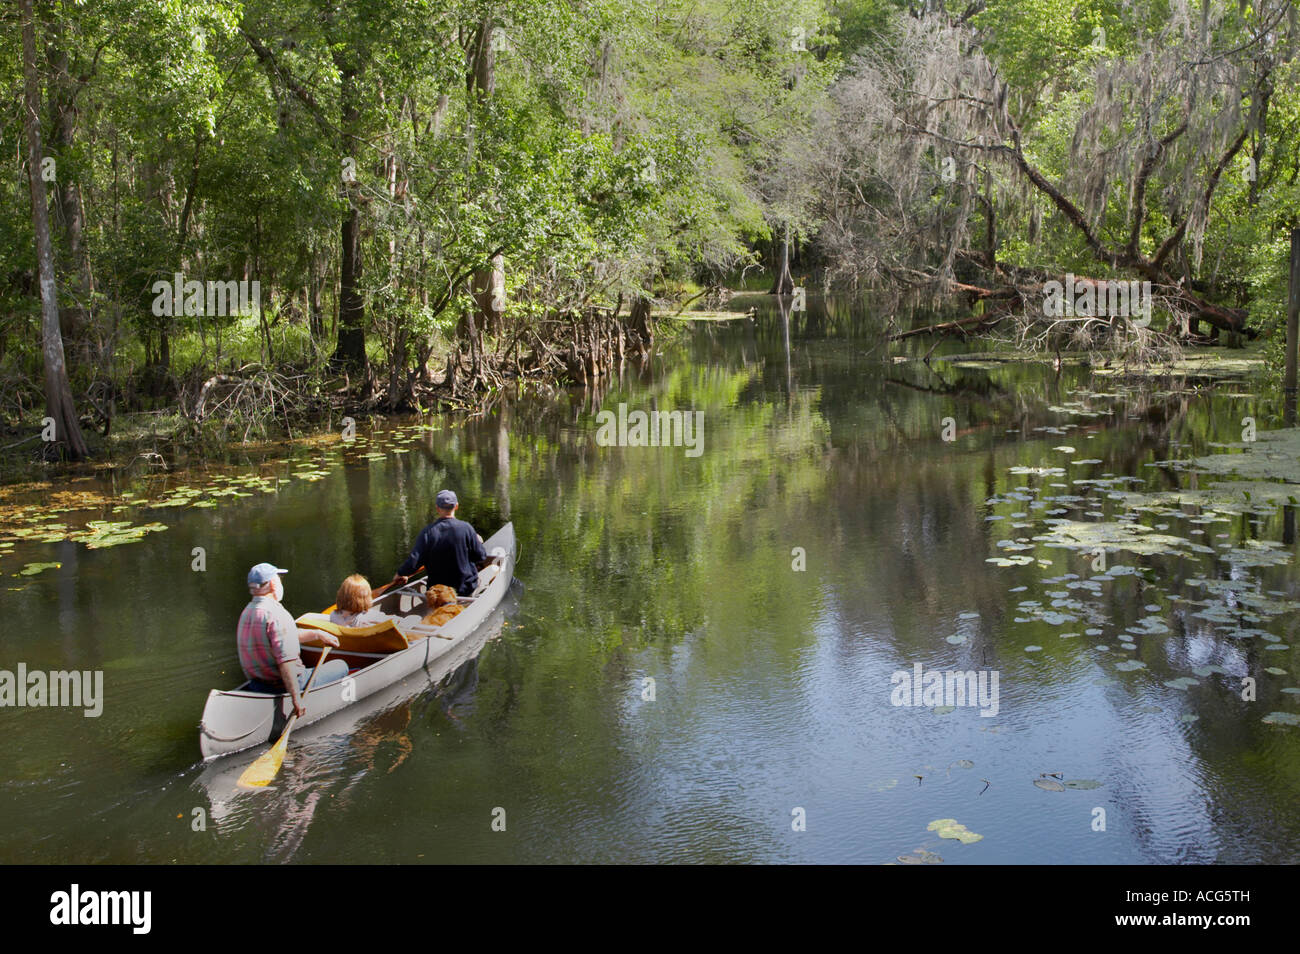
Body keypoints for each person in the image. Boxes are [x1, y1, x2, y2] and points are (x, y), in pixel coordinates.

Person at [237, 562, 347, 715]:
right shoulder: (276, 614)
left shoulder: (247, 612)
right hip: (282, 685)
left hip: (258, 685)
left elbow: (282, 638)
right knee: (341, 665)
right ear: (272, 584)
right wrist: (296, 700)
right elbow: (286, 662)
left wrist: (317, 634)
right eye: (279, 579)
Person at [391, 490, 494, 597]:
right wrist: (477, 541)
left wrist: (401, 573)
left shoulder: (427, 533)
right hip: (464, 589)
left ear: (437, 508)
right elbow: (480, 556)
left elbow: (414, 561)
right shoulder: (466, 528)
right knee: (488, 572)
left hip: (437, 592)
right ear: (456, 506)